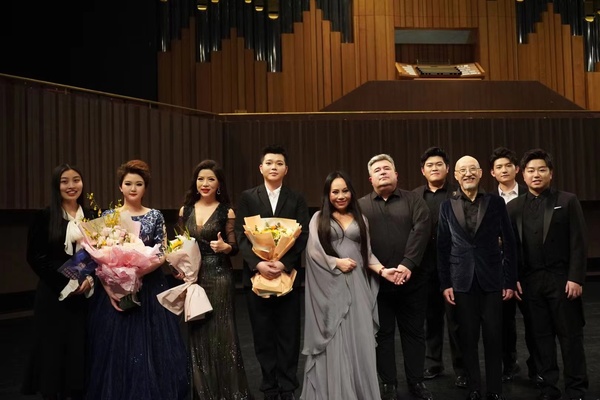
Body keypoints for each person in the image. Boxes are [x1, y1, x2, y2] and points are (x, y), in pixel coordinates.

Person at [86, 159, 188, 400]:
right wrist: (112, 286)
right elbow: (98, 256)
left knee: (151, 346)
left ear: (145, 188)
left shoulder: (155, 215)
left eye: (139, 184)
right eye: (128, 183)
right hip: (114, 288)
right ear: (120, 187)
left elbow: (162, 252)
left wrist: (136, 273)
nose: (133, 188)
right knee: (115, 347)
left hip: (149, 285)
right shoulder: (108, 216)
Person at [300, 171, 402, 400]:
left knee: (360, 340)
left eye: (345, 190)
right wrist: (336, 262)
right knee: (334, 340)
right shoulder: (318, 218)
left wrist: (383, 270)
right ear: (327, 194)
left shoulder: (361, 219)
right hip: (330, 288)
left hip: (358, 288)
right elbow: (313, 252)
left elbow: (367, 254)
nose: (341, 196)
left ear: (351, 192)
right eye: (335, 191)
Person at [506, 149, 588, 400]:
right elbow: (510, 248)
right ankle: (548, 388)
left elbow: (578, 242)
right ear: (523, 175)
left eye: (541, 170)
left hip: (562, 280)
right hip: (529, 282)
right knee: (540, 338)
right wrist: (513, 278)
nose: (536, 174)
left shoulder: (568, 200)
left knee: (570, 336)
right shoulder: (513, 206)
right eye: (531, 170)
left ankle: (576, 388)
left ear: (551, 173)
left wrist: (575, 278)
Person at [437, 155, 517, 400]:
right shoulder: (447, 206)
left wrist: (509, 281)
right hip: (461, 282)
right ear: (456, 175)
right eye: (463, 170)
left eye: (473, 169)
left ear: (481, 173)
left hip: (492, 280)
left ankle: (494, 390)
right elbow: (442, 247)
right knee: (467, 339)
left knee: (494, 337)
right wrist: (445, 283)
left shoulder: (496, 203)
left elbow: (510, 243)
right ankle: (473, 387)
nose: (468, 173)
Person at [234, 144, 310, 400]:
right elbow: (241, 235)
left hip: (287, 276)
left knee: (289, 334)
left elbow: (302, 235)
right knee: (263, 334)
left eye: (279, 163)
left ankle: (287, 386)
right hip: (256, 276)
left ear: (286, 169)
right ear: (261, 168)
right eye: (269, 163)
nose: (274, 167)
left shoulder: (297, 198)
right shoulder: (248, 197)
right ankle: (269, 386)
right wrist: (259, 264)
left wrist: (283, 263)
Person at [358, 154, 433, 400]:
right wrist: (381, 270)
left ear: (396, 174)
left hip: (412, 281)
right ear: (370, 179)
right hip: (377, 283)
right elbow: (360, 242)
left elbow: (421, 230)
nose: (382, 172)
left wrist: (406, 265)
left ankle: (416, 382)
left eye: (387, 168)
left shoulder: (414, 200)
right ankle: (388, 384)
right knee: (383, 334)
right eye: (377, 170)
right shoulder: (360, 206)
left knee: (414, 333)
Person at [178, 159, 252, 399]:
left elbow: (235, 247)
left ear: (219, 184)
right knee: (197, 331)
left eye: (211, 179)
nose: (205, 183)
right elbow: (180, 245)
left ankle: (227, 391)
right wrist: (180, 267)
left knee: (222, 332)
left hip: (219, 274)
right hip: (194, 277)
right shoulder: (185, 210)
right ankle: (202, 391)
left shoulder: (226, 211)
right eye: (201, 179)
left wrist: (224, 248)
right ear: (195, 182)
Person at [22, 164, 95, 400]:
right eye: (65, 181)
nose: (71, 186)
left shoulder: (92, 216)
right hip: (54, 297)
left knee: (79, 355)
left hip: (84, 298)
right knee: (52, 356)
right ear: (57, 185)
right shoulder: (44, 217)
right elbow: (35, 257)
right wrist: (65, 284)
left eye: (76, 180)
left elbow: (101, 255)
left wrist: (90, 279)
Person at [413, 147, 467, 389]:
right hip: (425, 267)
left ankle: (462, 368)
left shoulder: (458, 193)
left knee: (457, 321)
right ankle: (433, 363)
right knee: (430, 318)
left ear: (447, 168)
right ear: (422, 170)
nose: (434, 168)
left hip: (454, 267)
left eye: (439, 164)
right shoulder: (414, 196)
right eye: (430, 165)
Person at [489, 146, 540, 385]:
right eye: (498, 167)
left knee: (534, 322)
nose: (504, 170)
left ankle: (537, 366)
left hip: (530, 268)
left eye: (508, 165)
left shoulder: (531, 194)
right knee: (504, 324)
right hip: (501, 271)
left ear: (517, 169)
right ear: (492, 173)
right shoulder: (489, 200)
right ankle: (509, 365)